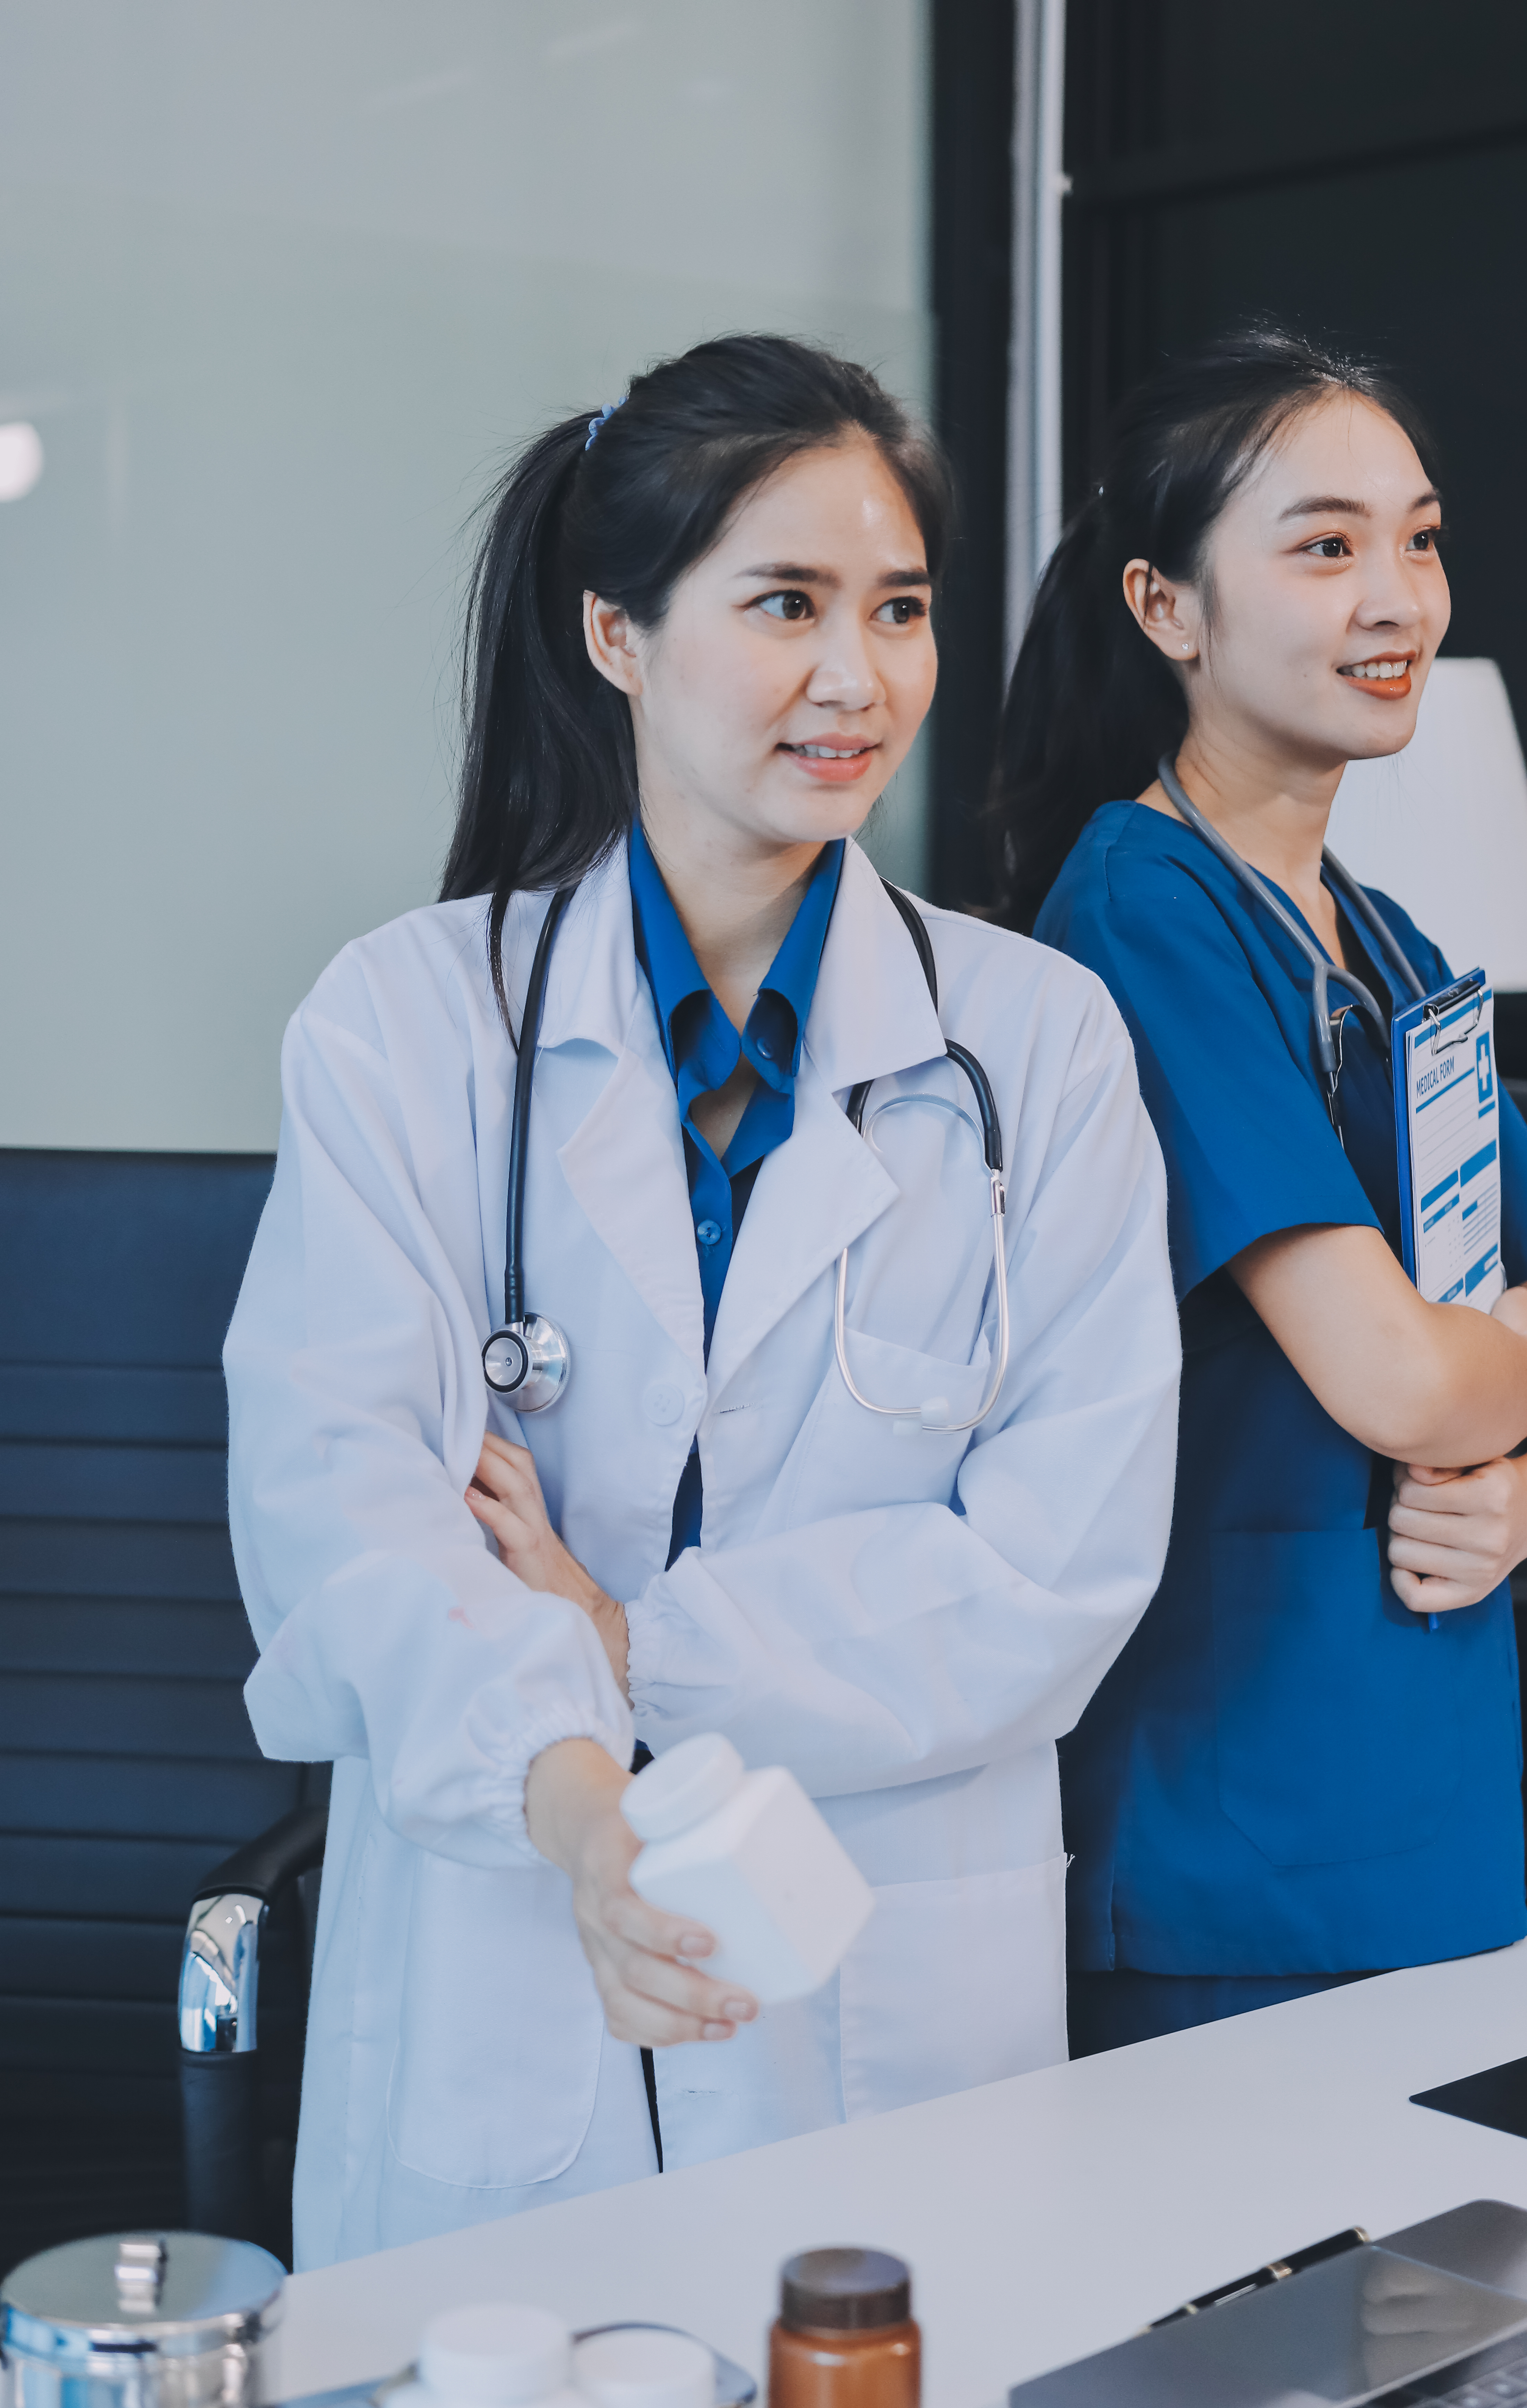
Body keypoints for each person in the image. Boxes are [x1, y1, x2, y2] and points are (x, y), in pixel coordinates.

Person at [225, 334, 1181, 2263]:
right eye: (786, 605)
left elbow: (1061, 1566)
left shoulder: (1037, 1046)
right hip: (508, 1993)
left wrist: (633, 1643)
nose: (859, 676)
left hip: (892, 2014)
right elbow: (347, 1520)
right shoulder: (413, 1028)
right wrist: (582, 1808)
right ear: (616, 636)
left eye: (900, 609)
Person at [992, 326, 1527, 2057]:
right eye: (1323, 546)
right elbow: (1397, 1379)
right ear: (1165, 607)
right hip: (1235, 1835)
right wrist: (1523, 1374)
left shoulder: (1384, 940)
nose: (1395, 595)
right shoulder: (1142, 910)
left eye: (1416, 539)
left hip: (1418, 1806)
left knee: (1447, 2324)